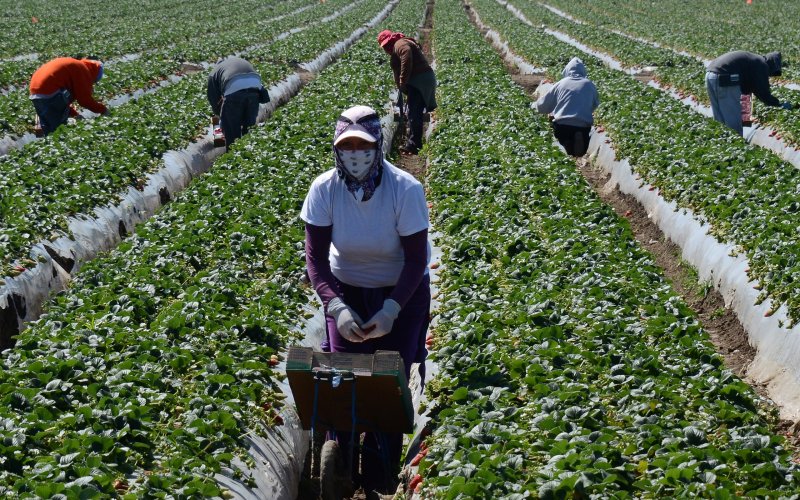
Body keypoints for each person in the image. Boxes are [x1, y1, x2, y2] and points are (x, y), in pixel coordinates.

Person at [300, 105, 431, 496]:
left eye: (364, 145)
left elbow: (415, 259)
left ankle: (382, 465)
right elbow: (315, 261)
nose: (355, 154)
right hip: (347, 290)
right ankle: (339, 460)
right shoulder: (324, 189)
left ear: (378, 146)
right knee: (342, 380)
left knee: (387, 381)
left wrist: (391, 310)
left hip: (401, 293)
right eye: (347, 146)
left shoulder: (404, 189)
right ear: (336, 149)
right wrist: (337, 308)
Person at [377, 30, 437, 155]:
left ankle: (413, 145)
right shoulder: (399, 45)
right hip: (421, 80)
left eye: (388, 44)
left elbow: (407, 55)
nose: (387, 48)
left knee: (414, 113)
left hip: (420, 80)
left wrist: (402, 80)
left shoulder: (400, 44)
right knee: (413, 112)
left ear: (392, 39)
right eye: (385, 46)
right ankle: (413, 143)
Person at [705, 50, 790, 136]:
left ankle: (723, 142)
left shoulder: (751, 63)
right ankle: (736, 143)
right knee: (733, 121)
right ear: (771, 65)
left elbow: (745, 93)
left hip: (710, 74)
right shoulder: (761, 65)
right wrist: (778, 105)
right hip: (726, 76)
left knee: (720, 119)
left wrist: (746, 120)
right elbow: (763, 93)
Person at [535, 57, 600, 157]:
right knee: (583, 135)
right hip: (583, 127)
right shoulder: (589, 85)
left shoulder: (561, 84)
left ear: (567, 70)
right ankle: (578, 144)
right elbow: (595, 104)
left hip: (563, 125)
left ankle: (566, 143)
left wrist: (537, 106)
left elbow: (543, 106)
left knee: (561, 135)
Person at [29, 57, 107, 136]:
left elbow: (65, 101)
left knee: (50, 130)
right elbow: (85, 100)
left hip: (35, 93)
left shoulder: (75, 65)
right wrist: (103, 110)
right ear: (94, 74)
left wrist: (75, 115)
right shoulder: (83, 70)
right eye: (94, 81)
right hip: (50, 92)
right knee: (59, 129)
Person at [206, 56, 270, 150]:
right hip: (255, 87)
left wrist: (219, 120)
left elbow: (214, 100)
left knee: (231, 128)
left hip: (234, 87)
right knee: (249, 125)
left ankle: (232, 154)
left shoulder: (214, 73)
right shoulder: (236, 62)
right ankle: (249, 152)